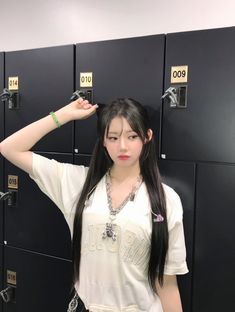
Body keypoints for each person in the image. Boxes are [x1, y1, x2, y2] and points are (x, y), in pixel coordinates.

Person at [0, 97, 188, 312]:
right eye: (114, 137)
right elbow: (9, 148)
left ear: (147, 137)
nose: (123, 146)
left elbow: (167, 282)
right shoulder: (77, 183)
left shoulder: (166, 199)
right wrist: (63, 115)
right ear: (104, 141)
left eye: (132, 136)